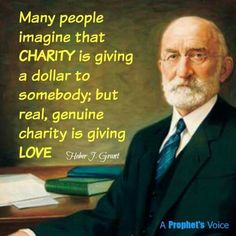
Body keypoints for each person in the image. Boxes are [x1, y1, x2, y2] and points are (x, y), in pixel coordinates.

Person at [11, 16, 236, 236]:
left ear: (224, 69)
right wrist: (30, 233)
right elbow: (109, 217)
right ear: (161, 67)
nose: (182, 71)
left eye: (198, 55)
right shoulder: (146, 141)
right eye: (172, 56)